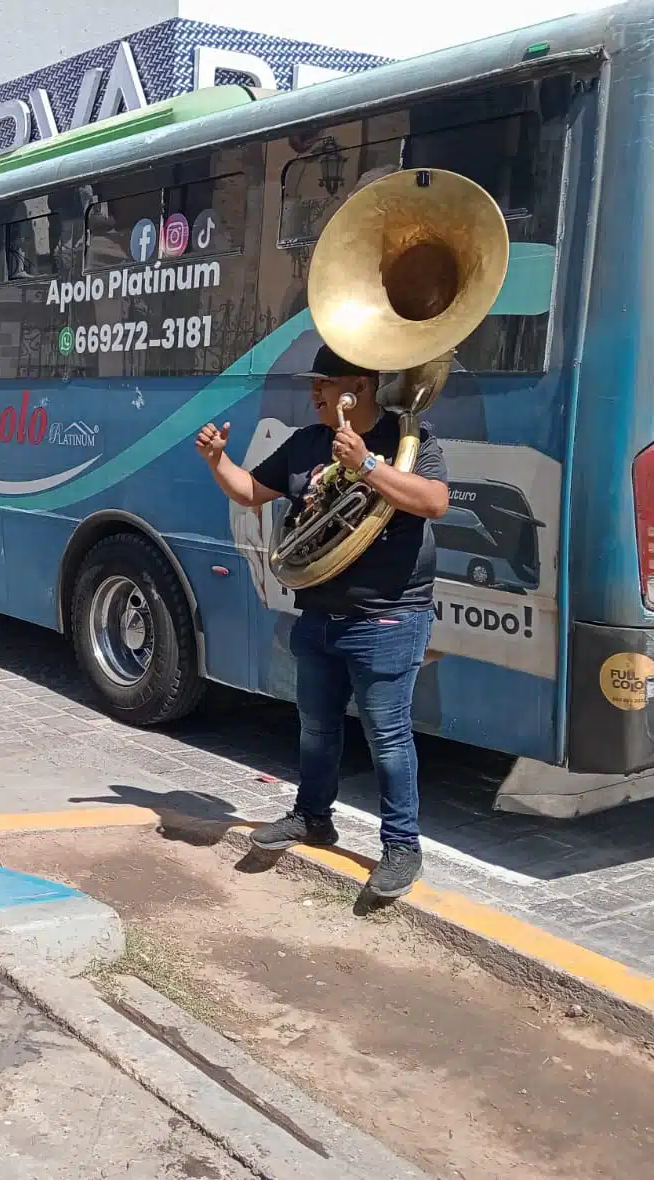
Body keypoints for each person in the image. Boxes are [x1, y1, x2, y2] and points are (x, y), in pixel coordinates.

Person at [195, 343, 449, 899]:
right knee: (315, 728)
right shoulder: (306, 443)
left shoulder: (408, 441)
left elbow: (434, 503)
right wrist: (218, 461)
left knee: (387, 737)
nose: (314, 394)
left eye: (325, 384)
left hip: (387, 616)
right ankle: (313, 816)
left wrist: (367, 466)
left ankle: (402, 847)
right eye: (315, 385)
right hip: (318, 612)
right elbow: (249, 493)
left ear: (355, 387)